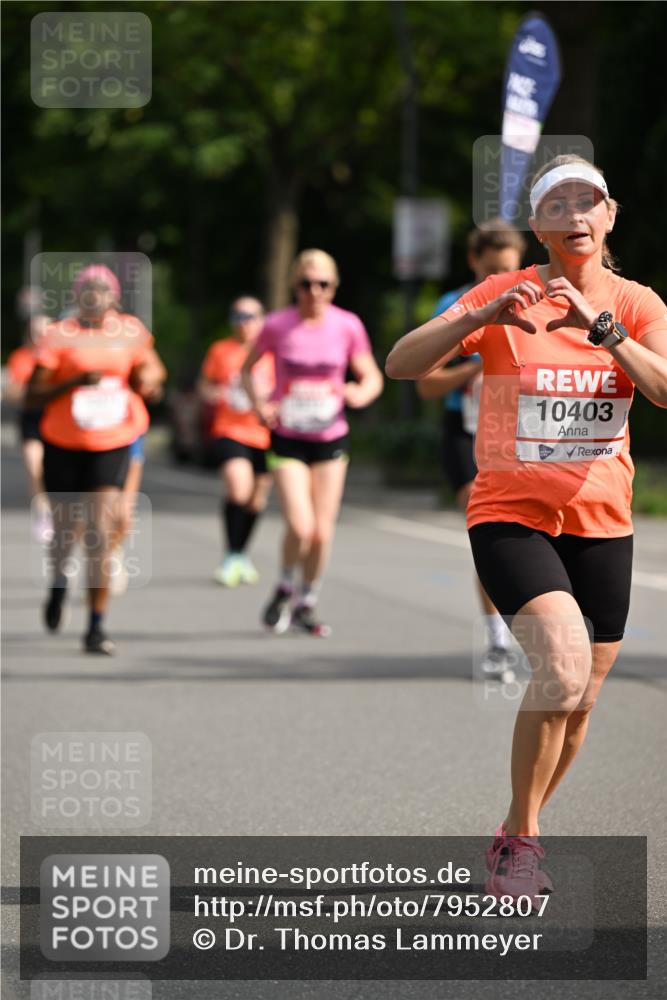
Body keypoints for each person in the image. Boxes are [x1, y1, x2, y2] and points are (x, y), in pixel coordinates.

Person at [386, 154, 667, 901]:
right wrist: (477, 318)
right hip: (511, 513)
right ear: (538, 225)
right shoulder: (503, 291)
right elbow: (401, 363)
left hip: (602, 519)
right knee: (562, 671)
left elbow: (665, 389)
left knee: (580, 700)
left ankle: (516, 827)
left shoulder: (636, 303)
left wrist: (604, 331)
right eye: (557, 204)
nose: (575, 215)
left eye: (588, 201)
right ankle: (524, 842)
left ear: (610, 216)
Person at [241, 249, 383, 636]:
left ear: (334, 287)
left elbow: (371, 376)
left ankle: (307, 600)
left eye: (323, 284)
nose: (314, 291)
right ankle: (285, 584)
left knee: (322, 531)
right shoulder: (277, 325)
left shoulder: (347, 325)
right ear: (295, 285)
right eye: (306, 284)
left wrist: (360, 393)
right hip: (287, 436)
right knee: (301, 527)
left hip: (330, 436)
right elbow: (247, 369)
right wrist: (260, 405)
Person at [25, 264, 166, 654]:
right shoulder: (58, 335)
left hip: (112, 442)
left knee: (101, 533)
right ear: (77, 295)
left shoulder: (131, 331)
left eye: (103, 288)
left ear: (114, 296)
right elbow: (32, 396)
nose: (95, 293)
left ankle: (96, 626)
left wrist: (150, 382)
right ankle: (58, 584)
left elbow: (152, 370)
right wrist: (74, 381)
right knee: (64, 531)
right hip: (63, 443)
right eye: (87, 287)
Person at [418, 220, 526, 682]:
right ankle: (498, 639)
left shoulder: (534, 299)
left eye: (508, 270)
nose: (498, 279)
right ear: (473, 263)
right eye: (490, 270)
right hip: (465, 429)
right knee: (489, 525)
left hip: (515, 427)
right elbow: (426, 384)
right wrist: (474, 370)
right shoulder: (454, 305)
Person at [198, 296, 273, 587]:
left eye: (250, 316)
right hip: (230, 430)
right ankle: (231, 554)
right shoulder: (221, 350)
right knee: (239, 491)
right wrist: (212, 394)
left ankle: (241, 554)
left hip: (267, 434)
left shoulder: (273, 351)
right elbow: (204, 384)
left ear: (262, 320)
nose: (244, 323)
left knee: (256, 500)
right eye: (238, 316)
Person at [5, 309, 53, 543]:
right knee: (35, 468)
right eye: (35, 331)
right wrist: (32, 392)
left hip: (56, 420)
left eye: (44, 330)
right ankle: (43, 514)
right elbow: (11, 393)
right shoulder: (21, 357)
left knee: (57, 470)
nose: (39, 335)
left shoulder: (61, 354)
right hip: (31, 418)